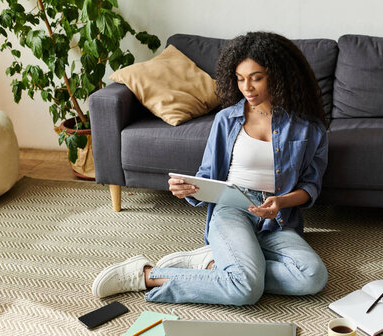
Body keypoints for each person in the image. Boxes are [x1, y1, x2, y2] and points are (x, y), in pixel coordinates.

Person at [92, 31, 329, 306]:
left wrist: (280, 203)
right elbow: (207, 176)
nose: (247, 88)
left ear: (278, 75)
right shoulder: (226, 120)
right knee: (247, 290)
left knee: (312, 276)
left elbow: (311, 187)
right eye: (240, 79)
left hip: (278, 221)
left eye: (256, 78)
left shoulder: (309, 128)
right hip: (232, 211)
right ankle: (147, 275)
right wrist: (188, 189)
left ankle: (213, 265)